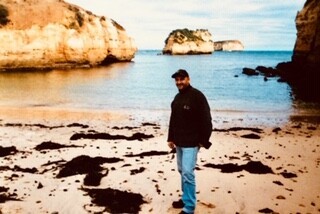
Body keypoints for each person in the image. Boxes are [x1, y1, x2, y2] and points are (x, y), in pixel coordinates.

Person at [167, 69, 212, 214]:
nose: (179, 82)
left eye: (182, 79)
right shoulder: (177, 98)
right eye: (177, 80)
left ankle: (189, 207)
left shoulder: (197, 96)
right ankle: (186, 197)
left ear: (188, 79)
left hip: (192, 143)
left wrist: (203, 141)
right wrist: (171, 137)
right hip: (179, 142)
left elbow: (206, 120)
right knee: (182, 171)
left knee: (187, 172)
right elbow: (173, 119)